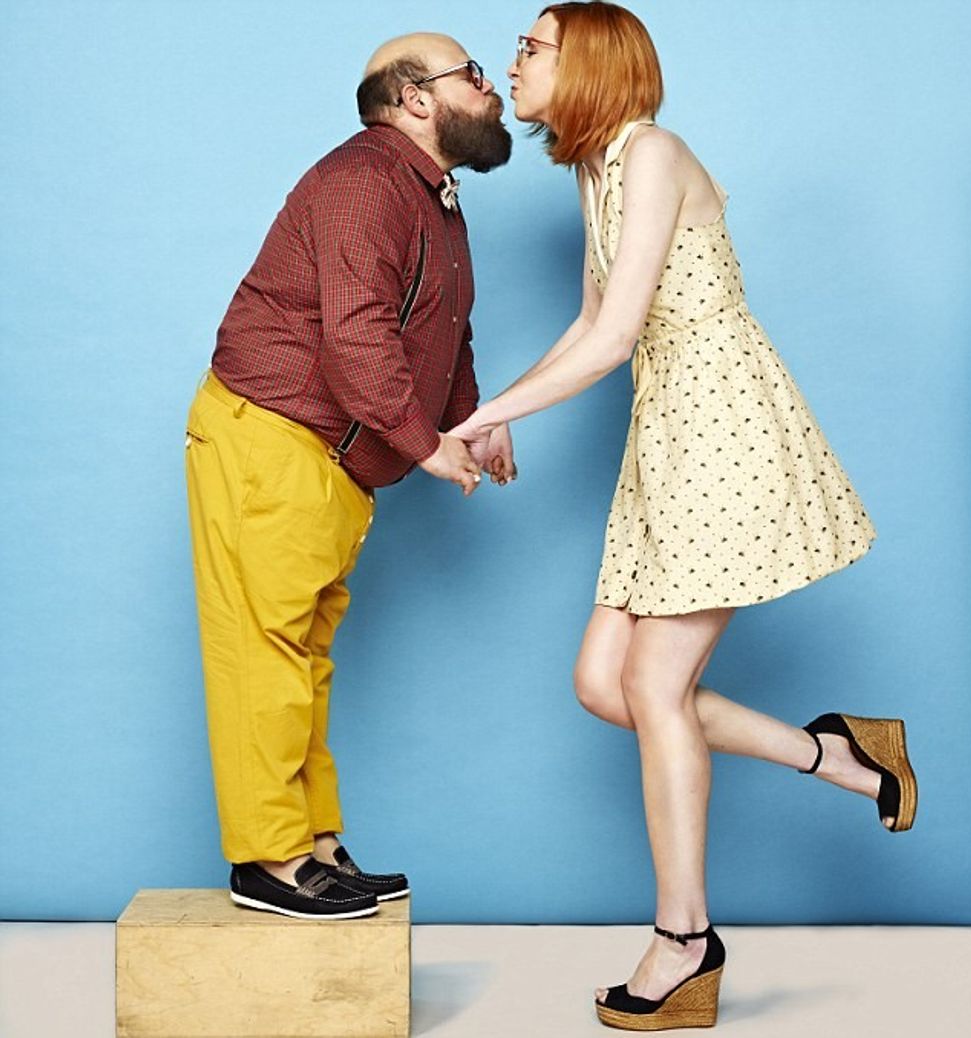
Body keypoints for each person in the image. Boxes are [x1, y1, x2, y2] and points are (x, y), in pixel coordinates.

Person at [448, 2, 917, 1028]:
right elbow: (586, 321)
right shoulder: (593, 167)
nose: (515, 62)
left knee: (654, 686)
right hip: (667, 433)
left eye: (532, 47)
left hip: (722, 424)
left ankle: (683, 940)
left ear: (590, 65)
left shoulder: (652, 151)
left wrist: (485, 411)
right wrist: (501, 412)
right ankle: (838, 753)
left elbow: (615, 337)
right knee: (599, 685)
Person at [184, 32, 515, 921]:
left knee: (305, 657)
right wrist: (426, 442)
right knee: (266, 653)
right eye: (471, 75)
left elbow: (445, 329)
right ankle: (269, 860)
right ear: (414, 98)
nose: (491, 88)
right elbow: (357, 337)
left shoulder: (434, 198)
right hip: (275, 438)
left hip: (327, 462)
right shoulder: (368, 181)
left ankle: (315, 845)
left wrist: (471, 424)